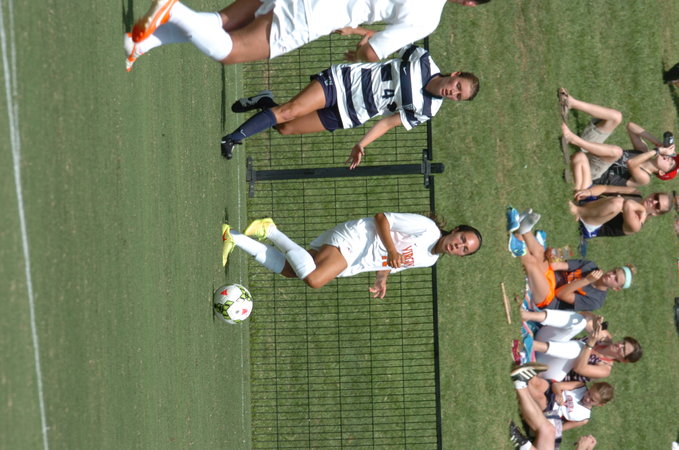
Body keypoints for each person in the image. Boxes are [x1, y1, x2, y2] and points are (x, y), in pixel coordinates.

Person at [219, 44, 480, 160]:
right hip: (343, 82)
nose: (454, 93)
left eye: (459, 96)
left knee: (285, 127)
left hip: (351, 115)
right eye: (458, 86)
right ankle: (232, 139)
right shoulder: (422, 59)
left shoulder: (428, 110)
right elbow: (384, 42)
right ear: (455, 74)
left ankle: (265, 101)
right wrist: (359, 42)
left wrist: (361, 144)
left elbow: (387, 123)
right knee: (289, 111)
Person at [124, 0, 490, 71]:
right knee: (231, 51)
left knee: (223, 22)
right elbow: (373, 53)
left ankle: (140, 43)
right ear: (470, 4)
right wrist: (361, 47)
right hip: (318, 13)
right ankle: (175, 9)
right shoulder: (428, 19)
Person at [221, 212, 482, 295]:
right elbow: (382, 218)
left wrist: (382, 278)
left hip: (355, 260)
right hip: (356, 238)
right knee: (314, 279)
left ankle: (233, 236)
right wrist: (392, 250)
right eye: (462, 239)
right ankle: (270, 230)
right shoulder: (427, 228)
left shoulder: (430, 260)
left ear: (461, 256)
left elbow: (391, 261)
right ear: (455, 230)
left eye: (464, 249)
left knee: (291, 271)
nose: (458, 246)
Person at [506, 207, 634, 311]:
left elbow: (560, 294)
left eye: (615, 279)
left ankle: (518, 245)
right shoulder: (591, 266)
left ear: (616, 288)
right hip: (550, 277)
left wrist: (586, 280)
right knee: (540, 251)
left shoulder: (596, 301)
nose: (611, 275)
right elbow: (555, 266)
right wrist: (552, 255)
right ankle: (523, 229)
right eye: (614, 272)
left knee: (533, 263)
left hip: (548, 298)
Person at [557, 89, 678, 188]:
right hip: (593, 154)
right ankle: (571, 102)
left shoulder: (645, 178)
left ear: (662, 172)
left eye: (671, 163)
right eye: (671, 158)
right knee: (616, 117)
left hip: (591, 173)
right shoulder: (643, 151)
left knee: (617, 152)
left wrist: (657, 151)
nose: (669, 158)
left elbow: (632, 163)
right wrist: (657, 143)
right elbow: (631, 127)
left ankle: (572, 139)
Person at [510, 363, 613, 450]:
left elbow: (561, 428)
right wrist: (558, 394)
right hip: (554, 393)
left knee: (540, 398)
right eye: (589, 393)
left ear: (600, 404)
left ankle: (522, 382)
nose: (587, 398)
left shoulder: (584, 418)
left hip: (552, 411)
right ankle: (525, 372)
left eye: (592, 400)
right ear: (591, 387)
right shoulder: (580, 386)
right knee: (539, 384)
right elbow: (557, 386)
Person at [520, 309, 642, 382]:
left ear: (623, 360)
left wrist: (590, 344)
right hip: (547, 345)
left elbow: (579, 369)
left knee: (580, 349)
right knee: (580, 322)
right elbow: (581, 315)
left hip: (548, 370)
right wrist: (593, 318)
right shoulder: (605, 338)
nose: (619, 346)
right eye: (623, 343)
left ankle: (531, 345)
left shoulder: (605, 369)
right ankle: (527, 315)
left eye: (623, 350)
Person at [569, 188, 675, 238]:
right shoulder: (635, 193)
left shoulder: (637, 225)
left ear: (656, 213)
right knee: (580, 159)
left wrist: (642, 210)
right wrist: (589, 192)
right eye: (656, 197)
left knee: (618, 203)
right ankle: (580, 203)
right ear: (653, 193)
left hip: (590, 225)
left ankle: (577, 211)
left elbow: (628, 204)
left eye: (657, 205)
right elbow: (606, 188)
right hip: (592, 202)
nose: (653, 202)